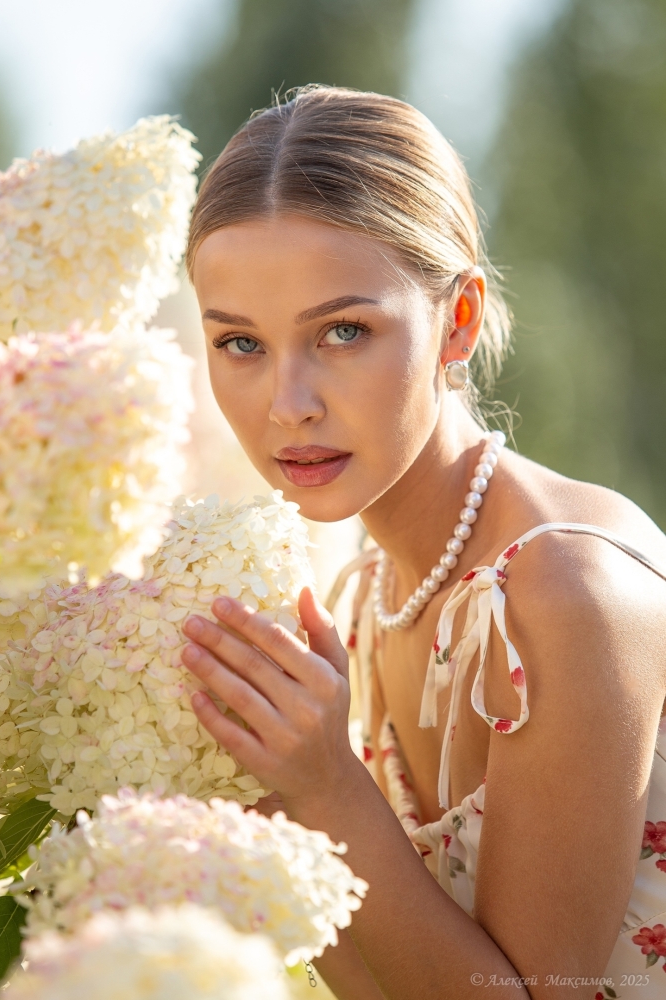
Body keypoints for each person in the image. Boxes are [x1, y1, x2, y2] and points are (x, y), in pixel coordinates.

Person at [179, 86, 666, 999]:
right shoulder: (366, 600)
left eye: (343, 331)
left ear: (458, 319)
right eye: (240, 344)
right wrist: (261, 794)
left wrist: (327, 788)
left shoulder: (569, 590)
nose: (288, 405)